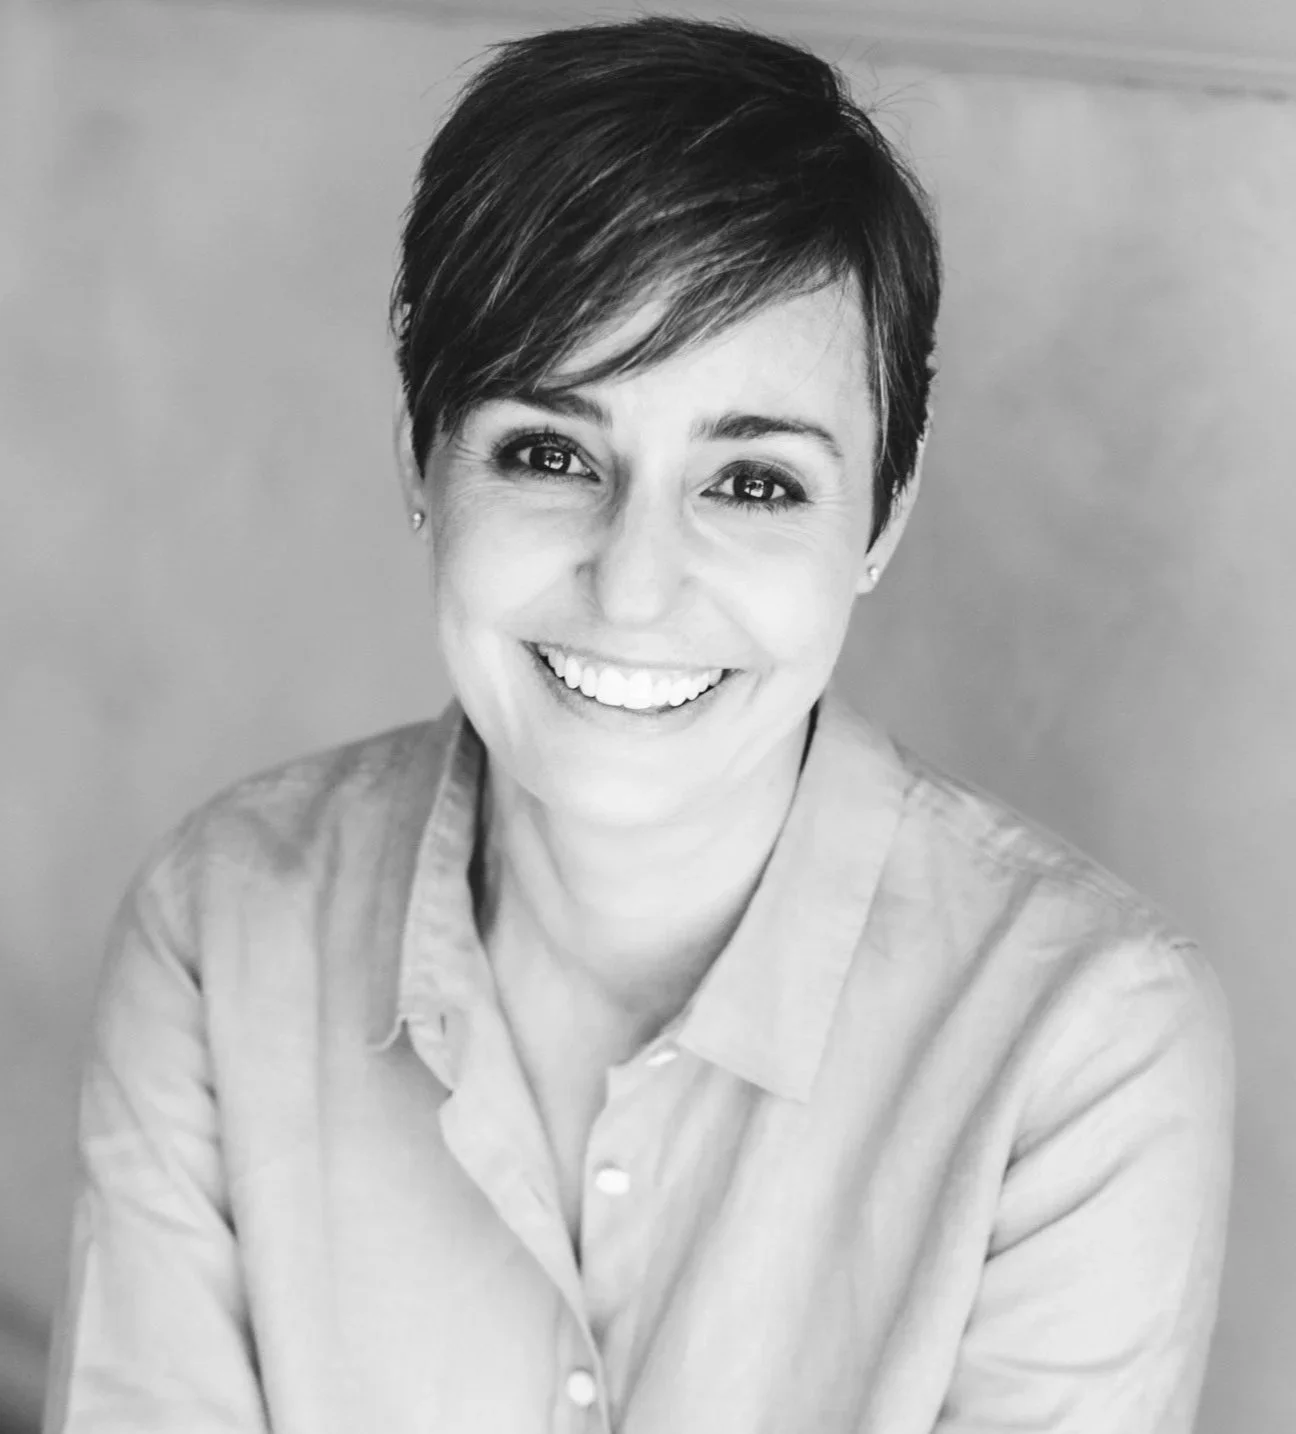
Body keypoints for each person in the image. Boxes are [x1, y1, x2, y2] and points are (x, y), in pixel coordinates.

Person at [43, 16, 1234, 1434]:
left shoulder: (1082, 1045)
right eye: (550, 453)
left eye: (753, 483)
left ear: (880, 520)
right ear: (426, 465)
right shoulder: (219, 933)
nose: (635, 579)